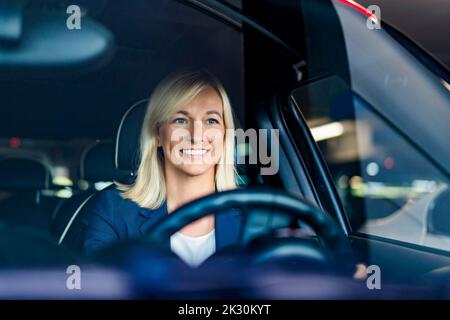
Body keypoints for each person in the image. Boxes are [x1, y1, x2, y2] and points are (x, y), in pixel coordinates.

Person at [83, 70, 242, 267]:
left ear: (225, 135)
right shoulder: (114, 211)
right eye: (180, 120)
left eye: (211, 121)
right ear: (158, 134)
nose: (196, 136)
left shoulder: (255, 214)